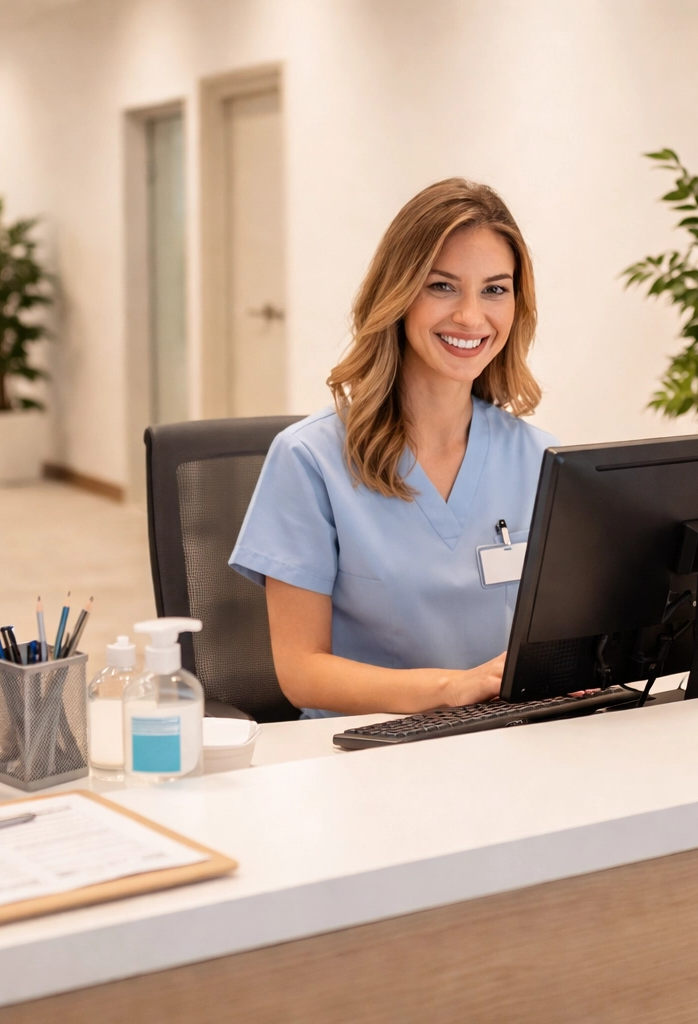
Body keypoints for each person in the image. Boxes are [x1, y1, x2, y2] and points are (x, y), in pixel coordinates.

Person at [229, 178, 556, 717]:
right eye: (442, 286)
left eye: (495, 289)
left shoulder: (543, 461)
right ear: (398, 295)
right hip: (369, 756)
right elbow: (302, 672)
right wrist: (452, 689)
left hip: (508, 742)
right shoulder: (309, 461)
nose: (472, 317)